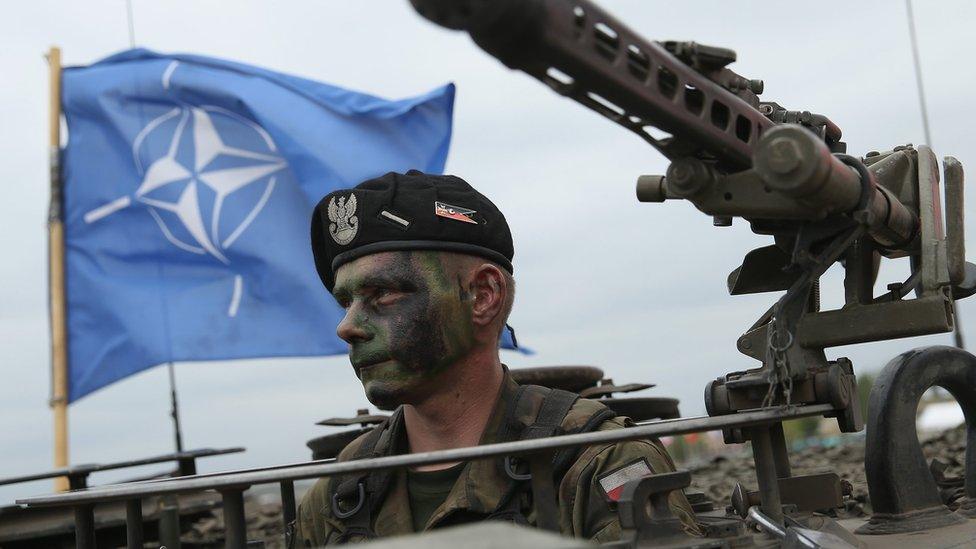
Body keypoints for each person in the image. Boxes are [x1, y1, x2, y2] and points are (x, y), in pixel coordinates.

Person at [293, 170, 698, 546]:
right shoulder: (342, 490)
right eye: (345, 301)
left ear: (483, 296)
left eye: (383, 293)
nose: (347, 327)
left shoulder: (596, 461)